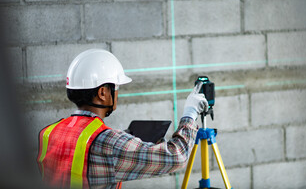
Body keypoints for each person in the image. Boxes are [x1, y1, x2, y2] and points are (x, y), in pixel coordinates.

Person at [37, 49, 208, 189]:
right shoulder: (109, 143)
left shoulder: (50, 132)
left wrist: (127, 138)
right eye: (116, 86)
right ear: (103, 93)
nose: (118, 93)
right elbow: (177, 156)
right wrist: (190, 113)